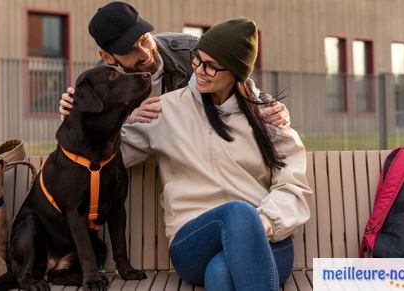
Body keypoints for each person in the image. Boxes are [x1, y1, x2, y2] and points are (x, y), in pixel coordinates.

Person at [118, 18, 311, 290]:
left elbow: (293, 186)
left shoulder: (267, 116)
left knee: (220, 274)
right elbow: (109, 155)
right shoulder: (166, 111)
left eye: (211, 66)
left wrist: (265, 221)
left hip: (265, 239)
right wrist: (112, 119)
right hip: (193, 239)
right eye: (198, 59)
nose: (199, 70)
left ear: (236, 72)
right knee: (237, 213)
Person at [59, 1, 290, 127]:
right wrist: (124, 116)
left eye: (143, 39)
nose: (145, 53)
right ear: (108, 57)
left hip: (193, 154)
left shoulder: (191, 50)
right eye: (130, 50)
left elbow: (238, 80)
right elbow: (80, 128)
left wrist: (270, 106)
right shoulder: (99, 81)